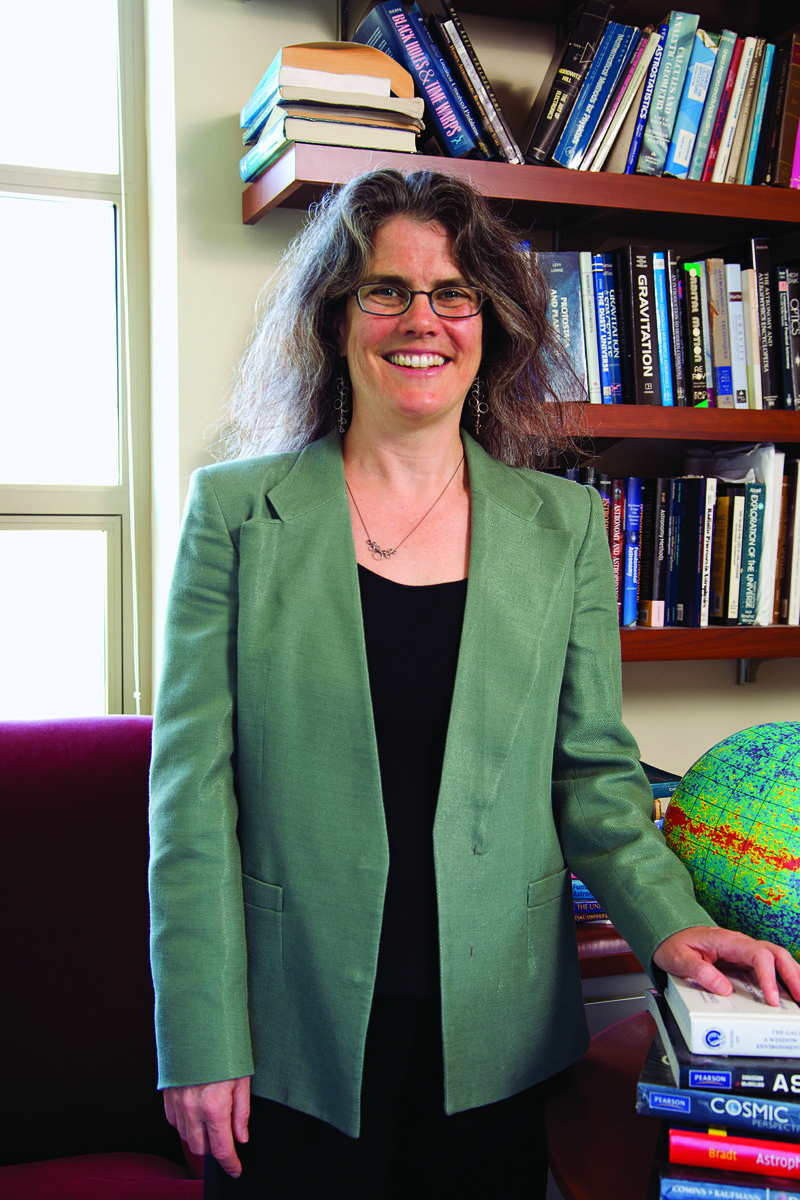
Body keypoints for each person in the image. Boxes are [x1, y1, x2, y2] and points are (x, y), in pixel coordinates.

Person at [148, 167, 800, 1198]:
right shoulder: (233, 513)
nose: (423, 320)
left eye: (453, 294)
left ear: (488, 325)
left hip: (493, 1033)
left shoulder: (562, 527)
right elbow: (190, 799)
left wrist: (671, 926)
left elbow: (592, 774)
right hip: (291, 1031)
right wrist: (198, 1033)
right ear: (336, 316)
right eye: (386, 290)